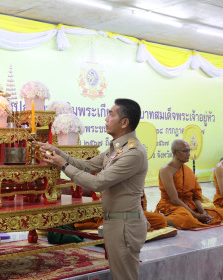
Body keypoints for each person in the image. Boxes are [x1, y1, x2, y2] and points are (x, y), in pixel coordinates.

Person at [39, 98, 148, 280]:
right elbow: (88, 166)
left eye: (111, 114)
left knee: (124, 276)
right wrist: (58, 152)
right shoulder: (116, 148)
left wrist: (63, 165)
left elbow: (97, 183)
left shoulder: (133, 153)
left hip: (125, 225)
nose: (106, 118)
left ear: (124, 122)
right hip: (116, 223)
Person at [155, 139, 223, 229]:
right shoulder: (166, 170)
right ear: (175, 152)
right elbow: (174, 199)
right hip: (171, 206)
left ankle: (193, 217)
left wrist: (203, 213)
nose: (188, 154)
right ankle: (161, 219)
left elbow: (195, 197)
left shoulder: (187, 170)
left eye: (189, 150)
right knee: (186, 219)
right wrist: (196, 215)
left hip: (189, 205)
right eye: (185, 151)